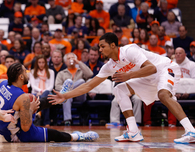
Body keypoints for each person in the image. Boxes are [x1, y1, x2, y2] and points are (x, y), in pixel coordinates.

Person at [49, 32, 195, 143]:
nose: (100, 50)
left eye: (102, 46)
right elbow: (88, 85)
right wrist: (65, 96)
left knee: (164, 95)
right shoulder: (109, 66)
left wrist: (129, 76)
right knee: (119, 90)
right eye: (99, 47)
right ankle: (133, 131)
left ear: (113, 45)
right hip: (146, 77)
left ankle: (191, 131)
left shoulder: (129, 50)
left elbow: (151, 68)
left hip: (164, 68)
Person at [0, 63, 98, 142]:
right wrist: (30, 109)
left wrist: (2, 98)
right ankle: (77, 137)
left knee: (37, 101)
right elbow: (25, 128)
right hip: (17, 134)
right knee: (54, 134)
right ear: (21, 76)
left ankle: (61, 97)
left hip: (4, 126)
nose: (28, 72)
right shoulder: (22, 97)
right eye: (25, 71)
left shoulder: (0, 83)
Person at [54, 53, 93, 125]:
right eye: (68, 58)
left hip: (80, 95)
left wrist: (79, 62)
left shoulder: (81, 71)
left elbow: (90, 74)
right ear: (65, 62)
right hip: (68, 97)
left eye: (72, 58)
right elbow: (57, 86)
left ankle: (68, 90)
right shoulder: (61, 73)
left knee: (81, 81)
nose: (71, 59)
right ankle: (67, 120)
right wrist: (67, 92)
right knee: (67, 96)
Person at [29, 55, 55, 126]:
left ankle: (39, 115)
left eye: (43, 62)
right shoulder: (32, 72)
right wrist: (40, 91)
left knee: (46, 95)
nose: (41, 64)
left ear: (46, 63)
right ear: (36, 63)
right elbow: (33, 86)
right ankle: (46, 122)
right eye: (39, 62)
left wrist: (42, 92)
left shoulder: (51, 72)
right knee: (44, 99)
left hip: (47, 92)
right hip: (35, 92)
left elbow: (51, 86)